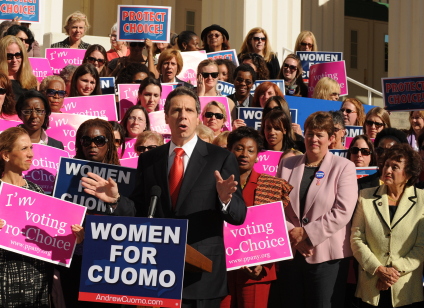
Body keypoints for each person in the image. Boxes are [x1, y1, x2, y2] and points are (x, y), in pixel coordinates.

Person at [80, 87, 247, 308]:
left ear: (198, 117)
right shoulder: (149, 160)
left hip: (202, 278)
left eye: (189, 110)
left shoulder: (221, 158)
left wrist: (225, 200)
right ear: (166, 117)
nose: (183, 115)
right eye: (176, 110)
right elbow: (140, 209)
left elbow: (239, 215)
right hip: (157, 273)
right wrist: (116, 200)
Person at [0, 127, 83, 307]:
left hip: (37, 282)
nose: (30, 154)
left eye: (31, 148)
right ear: (6, 156)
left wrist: (73, 238)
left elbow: (50, 241)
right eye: (24, 149)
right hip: (1, 283)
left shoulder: (37, 192)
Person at [276, 111, 358, 308]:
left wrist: (307, 234)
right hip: (292, 253)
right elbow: (275, 205)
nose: (314, 139)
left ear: (330, 139)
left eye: (319, 135)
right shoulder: (287, 164)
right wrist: (292, 234)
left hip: (327, 258)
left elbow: (343, 211)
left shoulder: (344, 167)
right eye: (310, 133)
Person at [221, 126, 293, 308]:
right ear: (229, 150)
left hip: (256, 274)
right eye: (238, 148)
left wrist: (264, 265)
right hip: (221, 273)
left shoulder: (271, 186)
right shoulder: (218, 184)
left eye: (251, 150)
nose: (244, 154)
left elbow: (274, 233)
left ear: (257, 156)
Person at [351, 143, 424, 308]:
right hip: (371, 287)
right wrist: (378, 270)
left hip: (406, 290)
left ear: (408, 174)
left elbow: (421, 246)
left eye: (395, 167)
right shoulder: (366, 196)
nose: (388, 170)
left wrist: (392, 273)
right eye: (386, 165)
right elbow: (356, 238)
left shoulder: (422, 200)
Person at [58, 118, 121, 308]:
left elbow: (131, 218)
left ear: (109, 144)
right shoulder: (65, 176)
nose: (92, 145)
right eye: (86, 141)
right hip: (74, 262)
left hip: (111, 264)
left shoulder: (124, 179)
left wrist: (115, 201)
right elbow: (56, 218)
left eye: (99, 140)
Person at [0, 90, 64, 153]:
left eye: (39, 111)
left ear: (45, 113)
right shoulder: (1, 143)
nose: (34, 116)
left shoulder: (57, 146)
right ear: (19, 114)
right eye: (28, 111)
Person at [0, 35, 38, 102]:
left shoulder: (32, 81)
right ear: (1, 58)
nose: (14, 60)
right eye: (9, 56)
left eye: (18, 55)